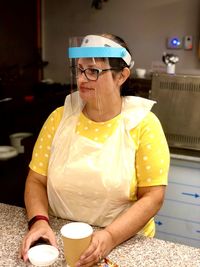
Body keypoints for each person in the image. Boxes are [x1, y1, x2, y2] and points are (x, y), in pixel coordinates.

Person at [21, 33, 170, 267]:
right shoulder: (59, 119)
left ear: (122, 75)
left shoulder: (143, 125)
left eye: (94, 71)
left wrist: (109, 236)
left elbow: (153, 196)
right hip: (60, 237)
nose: (82, 79)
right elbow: (36, 180)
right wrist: (39, 221)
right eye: (79, 70)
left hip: (124, 242)